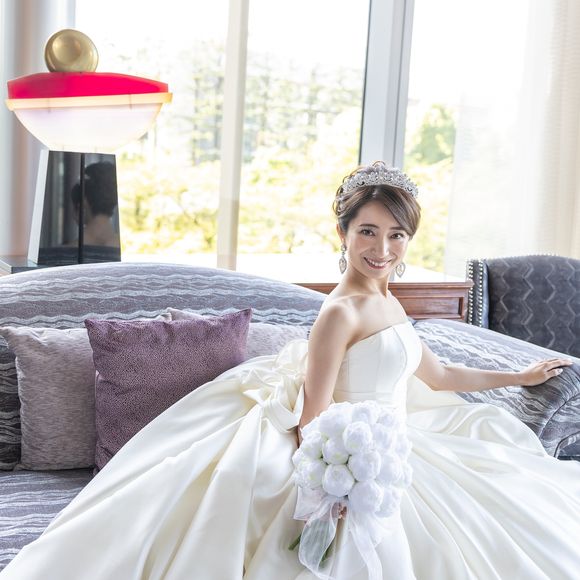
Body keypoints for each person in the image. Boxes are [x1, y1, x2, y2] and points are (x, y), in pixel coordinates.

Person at [2, 162, 579, 580]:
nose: (382, 248)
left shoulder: (389, 301)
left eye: (396, 235)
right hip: (352, 455)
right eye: (368, 231)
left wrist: (519, 376)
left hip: (401, 443)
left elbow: (438, 375)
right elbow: (312, 414)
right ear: (343, 234)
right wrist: (337, 489)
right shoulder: (340, 311)